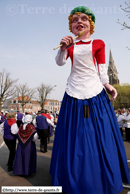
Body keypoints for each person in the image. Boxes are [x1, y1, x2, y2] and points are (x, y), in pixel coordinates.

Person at [50, 6, 130, 194]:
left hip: (95, 92)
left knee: (99, 133)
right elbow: (60, 62)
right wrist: (63, 48)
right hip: (73, 93)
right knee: (75, 134)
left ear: (90, 24)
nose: (79, 21)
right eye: (75, 19)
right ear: (71, 26)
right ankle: (75, 175)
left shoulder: (98, 43)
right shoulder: (70, 45)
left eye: (84, 18)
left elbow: (102, 70)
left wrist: (108, 85)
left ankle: (102, 175)